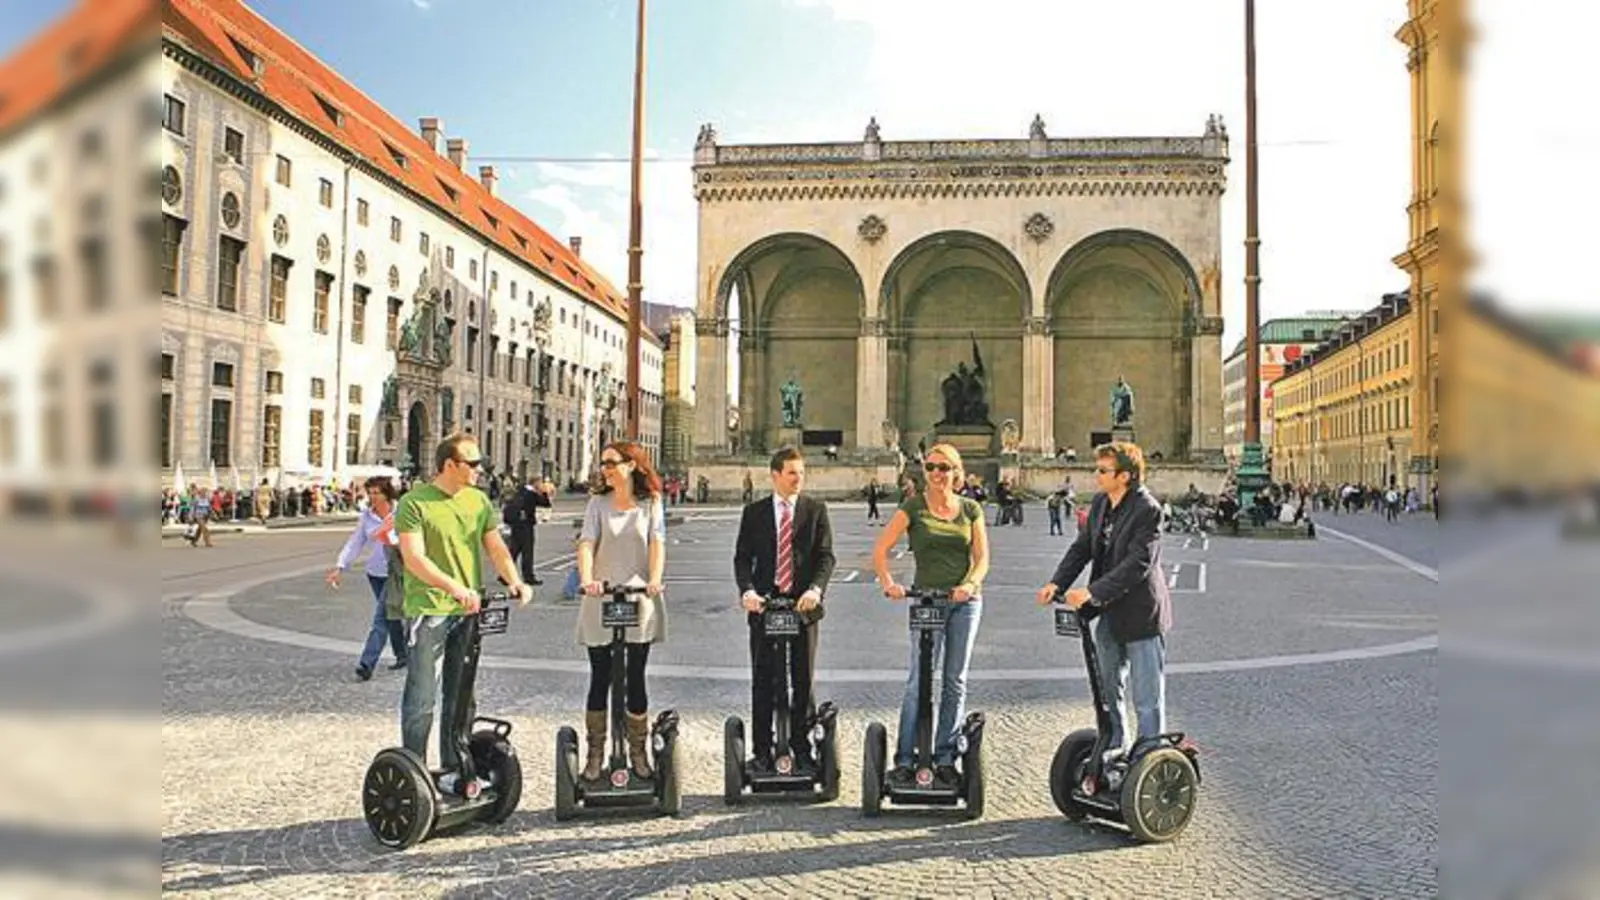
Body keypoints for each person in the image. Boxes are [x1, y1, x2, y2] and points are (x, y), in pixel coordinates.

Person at [395, 434, 529, 787]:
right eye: (472, 463)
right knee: (423, 696)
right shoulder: (414, 503)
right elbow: (414, 558)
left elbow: (496, 546)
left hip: (469, 611)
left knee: (461, 694)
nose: (479, 469)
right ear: (449, 465)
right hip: (429, 609)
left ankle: (455, 767)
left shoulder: (478, 501)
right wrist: (454, 587)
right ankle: (415, 772)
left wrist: (514, 580)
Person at [1034, 441, 1172, 765]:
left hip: (1142, 614)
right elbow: (1082, 548)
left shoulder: (1147, 509)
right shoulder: (1100, 504)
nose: (1096, 475)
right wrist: (1058, 583)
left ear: (1124, 475)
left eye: (1102, 470)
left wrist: (1093, 591)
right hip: (1109, 612)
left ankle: (1149, 756)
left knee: (1147, 697)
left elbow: (1138, 564)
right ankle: (1116, 743)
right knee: (1108, 687)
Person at [872, 443, 990, 786]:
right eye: (931, 468)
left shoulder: (970, 509)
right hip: (926, 601)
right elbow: (881, 549)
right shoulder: (913, 507)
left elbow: (982, 558)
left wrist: (969, 584)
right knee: (919, 680)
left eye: (944, 468)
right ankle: (906, 758)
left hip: (966, 603)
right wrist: (889, 582)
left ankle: (945, 755)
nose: (937, 474)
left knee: (955, 681)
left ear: (957, 473)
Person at [732, 447, 837, 772]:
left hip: (802, 606)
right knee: (763, 679)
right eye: (792, 473)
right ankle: (762, 749)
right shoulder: (755, 512)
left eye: (801, 473)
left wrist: (815, 590)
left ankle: (802, 747)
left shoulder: (815, 509)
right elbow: (742, 558)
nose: (798, 479)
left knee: (802, 679)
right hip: (765, 605)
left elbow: (825, 556)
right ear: (775, 475)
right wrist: (747, 590)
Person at [576, 440, 668, 781]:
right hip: (601, 596)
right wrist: (587, 579)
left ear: (631, 465)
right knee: (600, 676)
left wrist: (655, 579)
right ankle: (596, 751)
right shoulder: (597, 503)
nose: (606, 469)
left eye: (612, 462)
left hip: (637, 596)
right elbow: (587, 542)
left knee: (636, 675)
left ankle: (637, 750)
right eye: (603, 463)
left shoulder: (651, 503)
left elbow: (657, 542)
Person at [327, 476, 407, 681]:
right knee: (392, 615)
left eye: (377, 493)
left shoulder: (402, 512)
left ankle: (366, 663)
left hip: (397, 572)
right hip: (375, 572)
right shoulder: (367, 517)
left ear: (387, 493)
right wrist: (340, 566)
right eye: (370, 493)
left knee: (381, 618)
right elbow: (355, 542)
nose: (372, 497)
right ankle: (403, 654)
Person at [503, 475, 553, 586]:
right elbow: (546, 503)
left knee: (514, 551)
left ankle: (504, 575)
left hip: (516, 525)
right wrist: (544, 492)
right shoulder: (531, 494)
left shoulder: (520, 490)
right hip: (526, 525)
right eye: (540, 483)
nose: (541, 485)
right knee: (527, 552)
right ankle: (528, 577)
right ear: (535, 483)